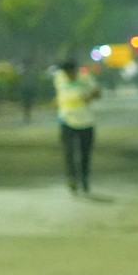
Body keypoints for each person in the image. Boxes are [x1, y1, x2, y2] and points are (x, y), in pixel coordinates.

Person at [53, 59, 101, 195]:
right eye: (67, 74)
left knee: (85, 154)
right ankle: (71, 178)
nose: (69, 76)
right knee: (68, 152)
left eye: (71, 73)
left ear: (76, 71)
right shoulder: (59, 78)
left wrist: (90, 96)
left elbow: (98, 92)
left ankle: (84, 179)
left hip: (86, 122)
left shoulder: (85, 79)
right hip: (66, 121)